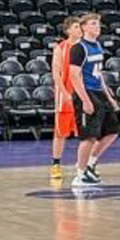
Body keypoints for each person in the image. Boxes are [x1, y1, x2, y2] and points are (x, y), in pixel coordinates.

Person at [68, 12, 120, 189]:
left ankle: (91, 162)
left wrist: (109, 97)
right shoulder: (78, 48)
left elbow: (99, 76)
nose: (97, 27)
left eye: (98, 24)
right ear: (83, 27)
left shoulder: (97, 46)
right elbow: (74, 76)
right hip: (86, 93)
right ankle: (80, 174)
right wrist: (85, 100)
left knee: (112, 131)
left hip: (99, 93)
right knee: (88, 137)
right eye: (93, 24)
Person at [49, 15, 81, 179]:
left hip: (84, 96)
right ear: (68, 30)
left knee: (87, 134)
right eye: (76, 27)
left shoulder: (87, 47)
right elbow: (56, 73)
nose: (79, 29)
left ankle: (83, 166)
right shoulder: (61, 48)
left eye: (80, 27)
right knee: (60, 133)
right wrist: (64, 93)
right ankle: (55, 164)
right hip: (66, 97)